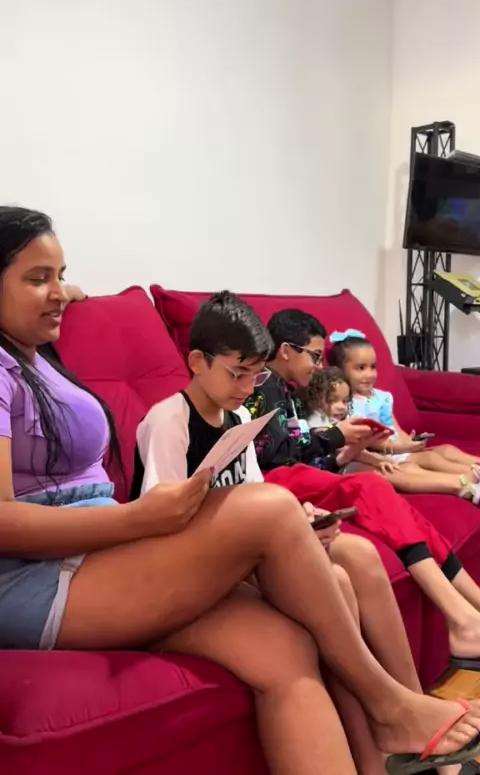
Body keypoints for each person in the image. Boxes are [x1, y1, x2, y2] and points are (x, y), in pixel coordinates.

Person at [0, 215, 479, 775]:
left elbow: (57, 294)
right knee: (270, 510)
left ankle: (382, 736)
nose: (59, 292)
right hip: (37, 579)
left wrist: (62, 288)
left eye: (61, 275)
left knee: (285, 649)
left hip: (98, 553)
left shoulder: (33, 352)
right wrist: (137, 520)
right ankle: (389, 705)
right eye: (38, 278)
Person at [134, 291, 467, 775]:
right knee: (337, 583)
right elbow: (160, 519)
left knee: (358, 556)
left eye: (255, 375)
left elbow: (252, 494)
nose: (246, 387)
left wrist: (302, 520)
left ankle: (409, 712)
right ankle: (386, 740)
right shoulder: (169, 420)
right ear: (198, 361)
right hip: (195, 562)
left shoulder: (239, 417)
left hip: (243, 547)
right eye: (236, 373)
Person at [245, 307, 480, 671]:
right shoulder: (262, 385)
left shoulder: (290, 391)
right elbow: (274, 453)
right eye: (314, 356)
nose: (319, 365)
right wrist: (336, 436)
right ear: (287, 351)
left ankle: (472, 608)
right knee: (371, 486)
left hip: (302, 473)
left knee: (405, 511)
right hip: (275, 482)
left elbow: (305, 451)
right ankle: (460, 618)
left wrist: (349, 448)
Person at [328, 330, 480, 501]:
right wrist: (403, 448)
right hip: (382, 454)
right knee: (417, 465)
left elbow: (395, 427)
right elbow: (371, 442)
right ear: (340, 371)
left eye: (373, 367)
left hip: (398, 448)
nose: (369, 374)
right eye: (361, 368)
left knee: (445, 450)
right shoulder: (346, 405)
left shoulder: (381, 397)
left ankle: (475, 469)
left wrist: (410, 441)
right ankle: (467, 479)